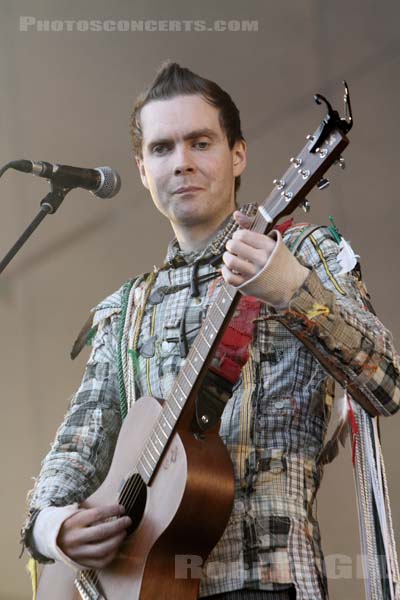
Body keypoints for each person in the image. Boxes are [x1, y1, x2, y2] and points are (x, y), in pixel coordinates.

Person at [21, 62, 400, 600]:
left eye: (200, 143)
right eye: (162, 149)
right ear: (143, 168)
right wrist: (50, 528)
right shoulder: (127, 307)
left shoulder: (301, 251)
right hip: (141, 586)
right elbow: (76, 450)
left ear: (237, 154)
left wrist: (291, 286)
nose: (181, 163)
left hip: (268, 580)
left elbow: (385, 381)